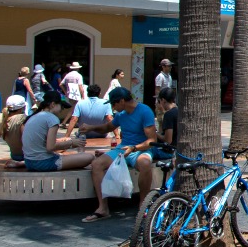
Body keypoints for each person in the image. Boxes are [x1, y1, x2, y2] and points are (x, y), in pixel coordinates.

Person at [81, 87, 157, 223]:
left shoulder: (144, 111)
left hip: (140, 149)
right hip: (123, 149)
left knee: (145, 163)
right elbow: (107, 128)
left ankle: (143, 204)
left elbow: (152, 140)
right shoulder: (121, 115)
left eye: (113, 104)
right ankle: (103, 207)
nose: (112, 107)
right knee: (97, 164)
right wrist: (91, 127)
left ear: (122, 101)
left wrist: (134, 148)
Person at [20, 96, 93, 172]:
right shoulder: (52, 119)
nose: (62, 110)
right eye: (61, 107)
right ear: (53, 104)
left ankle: (21, 163)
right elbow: (50, 147)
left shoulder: (33, 117)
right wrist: (71, 143)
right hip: (43, 163)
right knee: (89, 157)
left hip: (29, 162)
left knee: (61, 155)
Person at [0, 94, 29, 166]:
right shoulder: (22, 118)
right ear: (22, 108)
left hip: (14, 156)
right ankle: (22, 164)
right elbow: (27, 140)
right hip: (27, 156)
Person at [156, 87, 180, 151]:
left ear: (163, 100)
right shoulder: (179, 111)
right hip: (179, 149)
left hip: (170, 151)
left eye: (159, 101)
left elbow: (168, 141)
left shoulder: (169, 115)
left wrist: (155, 133)